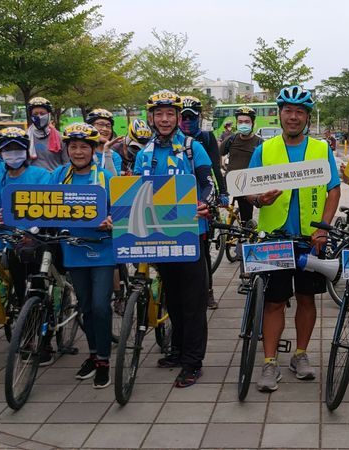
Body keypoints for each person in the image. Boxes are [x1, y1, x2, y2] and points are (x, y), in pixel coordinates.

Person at [246, 85, 341, 392]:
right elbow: (249, 189)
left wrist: (324, 227)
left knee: (306, 298)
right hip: (275, 237)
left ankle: (300, 355)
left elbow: (334, 190)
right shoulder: (265, 149)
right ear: (280, 114)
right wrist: (261, 200)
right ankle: (269, 362)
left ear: (307, 117)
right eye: (288, 110)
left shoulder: (321, 149)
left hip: (309, 239)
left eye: (300, 111)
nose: (293, 116)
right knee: (274, 302)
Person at [134, 90, 213, 388]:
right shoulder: (145, 152)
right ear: (151, 117)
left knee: (193, 303)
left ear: (178, 117)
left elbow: (209, 185)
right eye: (159, 114)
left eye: (170, 114)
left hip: (192, 234)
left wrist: (205, 203)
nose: (164, 119)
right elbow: (136, 193)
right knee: (174, 300)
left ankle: (193, 362)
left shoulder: (193, 148)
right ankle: (178, 350)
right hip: (159, 236)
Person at [50, 123, 115, 388]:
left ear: (92, 150)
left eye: (84, 147)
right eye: (73, 147)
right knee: (85, 306)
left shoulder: (104, 177)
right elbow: (39, 203)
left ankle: (105, 360)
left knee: (100, 306)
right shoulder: (58, 175)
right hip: (74, 249)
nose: (78, 152)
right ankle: (93, 354)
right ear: (67, 149)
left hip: (103, 248)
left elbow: (122, 209)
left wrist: (111, 219)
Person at [0, 128, 53, 361]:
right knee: (21, 292)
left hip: (41, 241)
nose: (13, 154)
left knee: (43, 290)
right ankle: (28, 334)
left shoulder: (41, 176)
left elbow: (51, 207)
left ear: (26, 151)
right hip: (13, 243)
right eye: (7, 149)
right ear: (1, 153)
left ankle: (46, 341)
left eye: (17, 148)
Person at [179, 96, 228, 309]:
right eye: (183, 117)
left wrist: (223, 192)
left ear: (199, 118)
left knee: (203, 250)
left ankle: (208, 292)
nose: (187, 121)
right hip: (173, 202)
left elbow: (215, 169)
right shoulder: (171, 139)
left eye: (191, 117)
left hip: (201, 200)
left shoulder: (206, 138)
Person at [220, 106, 263, 224]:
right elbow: (217, 154)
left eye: (247, 122)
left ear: (253, 123)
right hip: (229, 183)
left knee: (246, 221)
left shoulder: (259, 143)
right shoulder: (231, 140)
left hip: (247, 186)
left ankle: (246, 236)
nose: (243, 124)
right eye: (240, 122)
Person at [25, 97, 69, 171]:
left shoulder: (60, 137)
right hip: (32, 180)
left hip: (53, 179)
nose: (39, 116)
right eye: (35, 114)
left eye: (42, 113)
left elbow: (66, 163)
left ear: (49, 115)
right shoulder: (25, 137)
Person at [85, 109, 123, 176]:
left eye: (108, 126)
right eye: (100, 124)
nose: (105, 129)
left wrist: (107, 152)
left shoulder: (115, 156)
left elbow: (113, 182)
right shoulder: (82, 152)